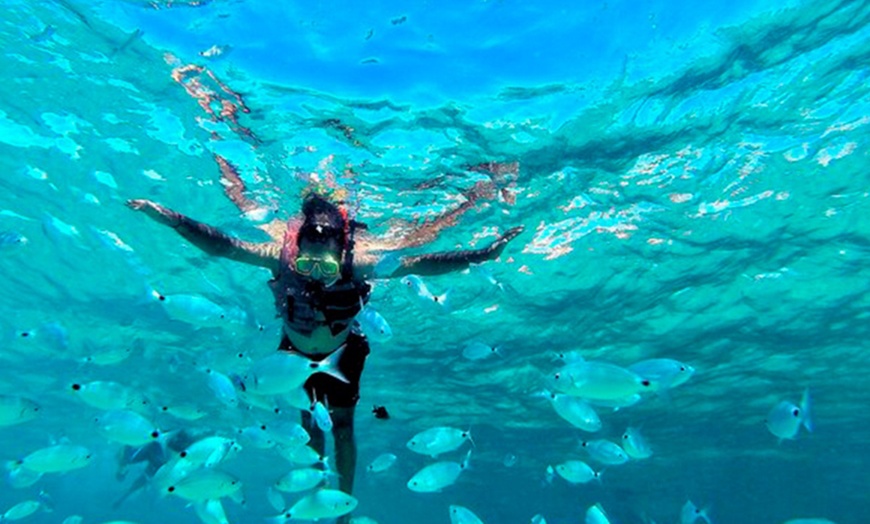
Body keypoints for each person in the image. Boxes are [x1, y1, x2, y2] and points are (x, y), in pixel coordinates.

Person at [126, 190, 523, 510]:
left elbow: (421, 263)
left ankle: (342, 508)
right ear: (296, 247)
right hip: (293, 354)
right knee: (310, 425)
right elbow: (222, 246)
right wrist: (168, 217)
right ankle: (316, 490)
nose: (315, 274)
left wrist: (480, 255)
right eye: (306, 264)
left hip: (344, 349)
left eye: (325, 267)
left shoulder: (359, 262)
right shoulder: (277, 257)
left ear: (341, 251)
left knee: (344, 428)